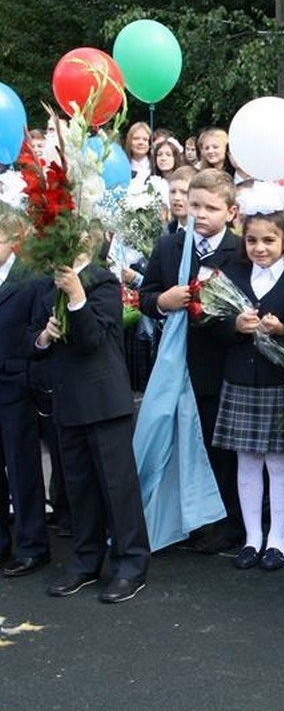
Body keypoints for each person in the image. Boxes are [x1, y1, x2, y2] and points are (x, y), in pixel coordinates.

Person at [31, 231, 151, 603]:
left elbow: (93, 340)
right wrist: (44, 336)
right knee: (79, 486)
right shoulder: (46, 283)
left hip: (103, 401)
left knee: (117, 486)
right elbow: (32, 339)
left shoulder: (102, 281)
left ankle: (130, 564)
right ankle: (85, 560)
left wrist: (76, 297)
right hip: (67, 400)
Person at [139, 168, 244, 553]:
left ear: (231, 212)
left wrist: (223, 319)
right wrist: (162, 301)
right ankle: (186, 517)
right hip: (175, 363)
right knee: (179, 442)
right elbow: (146, 295)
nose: (200, 214)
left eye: (210, 208)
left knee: (218, 447)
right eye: (194, 205)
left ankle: (225, 522)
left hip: (219, 366)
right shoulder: (169, 246)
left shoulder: (239, 250)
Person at [211, 187, 284, 571]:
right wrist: (235, 326)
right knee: (247, 461)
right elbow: (213, 324)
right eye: (252, 240)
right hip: (240, 378)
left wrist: (283, 327)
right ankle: (253, 537)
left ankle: (277, 539)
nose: (260, 248)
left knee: (279, 461)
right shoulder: (232, 273)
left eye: (269, 240)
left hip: (279, 381)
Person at [0, 213, 50, 578]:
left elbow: (37, 334)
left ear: (12, 240)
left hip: (15, 384)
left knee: (22, 466)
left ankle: (32, 545)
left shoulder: (31, 279)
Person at [165, 165, 197, 234]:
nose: (176, 197)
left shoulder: (204, 234)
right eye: (173, 192)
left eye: (184, 192)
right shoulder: (167, 231)